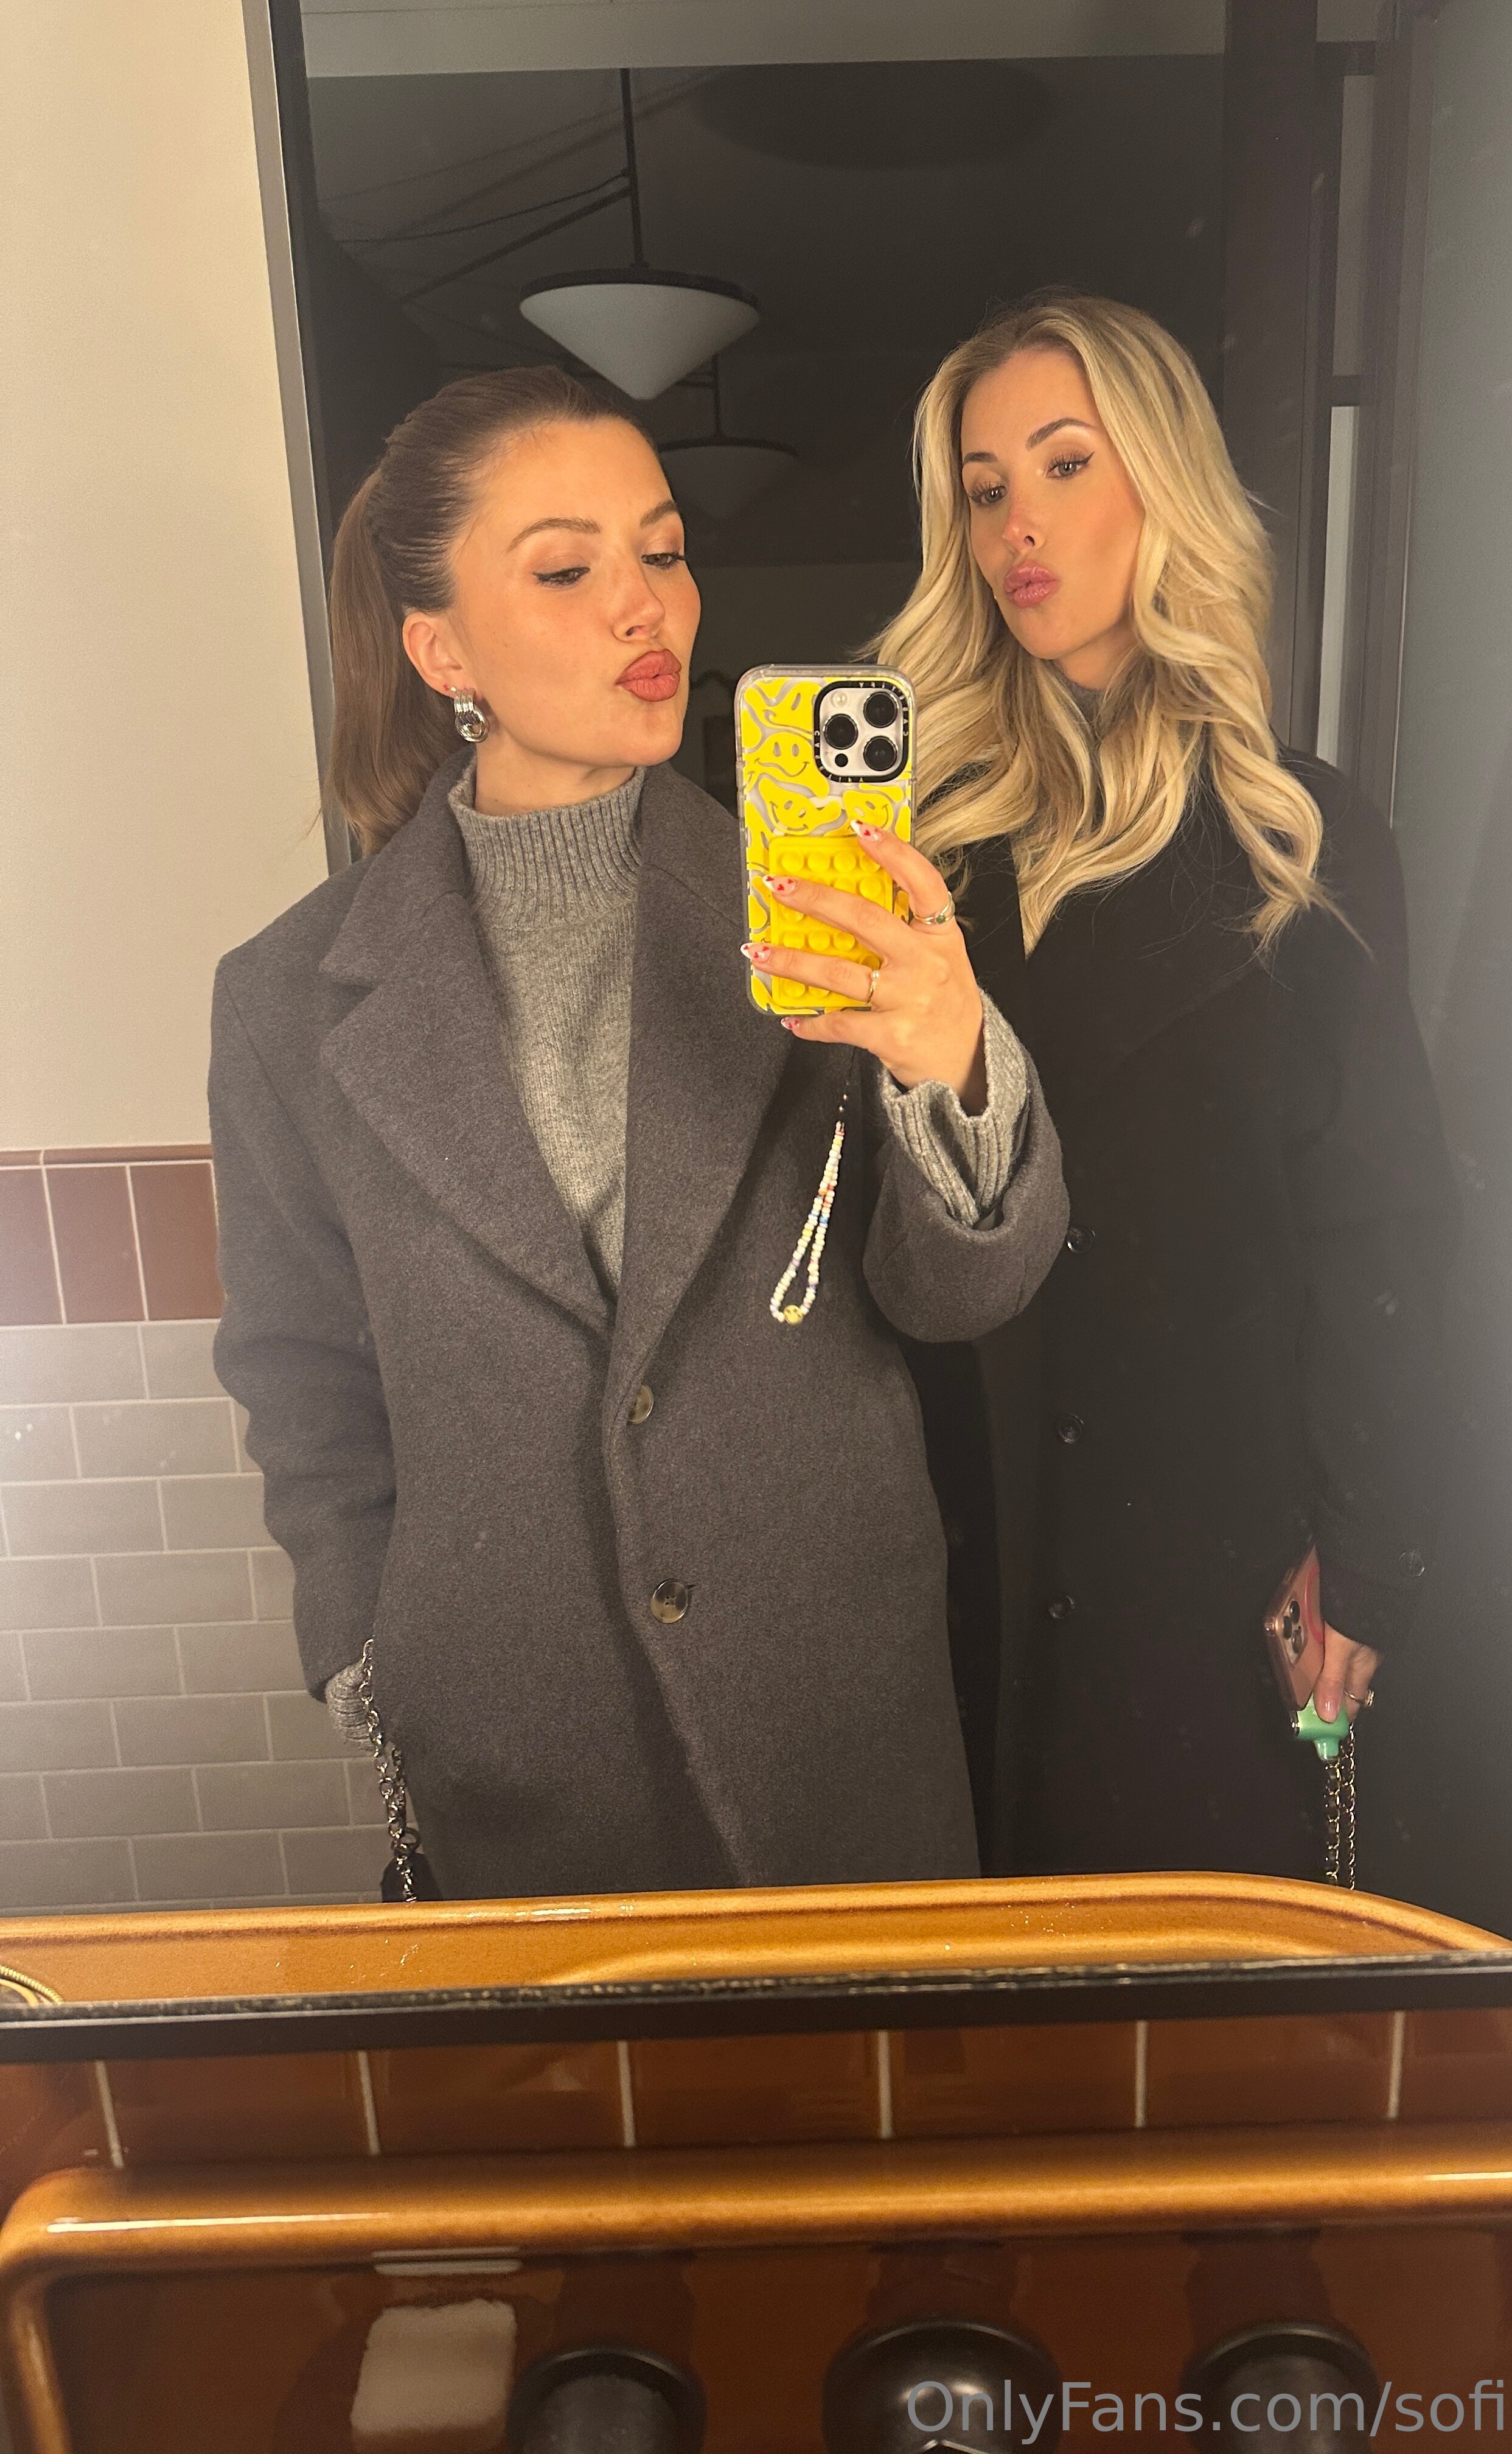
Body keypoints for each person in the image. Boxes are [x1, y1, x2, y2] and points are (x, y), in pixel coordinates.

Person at [209, 366, 1067, 1901]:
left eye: (663, 551)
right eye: (566, 569)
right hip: (514, 1747)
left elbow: (959, 1300)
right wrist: (363, 1652)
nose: (645, 604)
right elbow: (302, 1366)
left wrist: (954, 1062)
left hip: (836, 1730)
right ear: (440, 648)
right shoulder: (286, 1000)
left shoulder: (825, 918)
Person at [877, 295, 1458, 1879]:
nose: (1018, 525)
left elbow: (1386, 1230)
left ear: (1166, 487)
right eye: (984, 488)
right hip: (956, 1529)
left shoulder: (1299, 839)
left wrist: (1373, 1554)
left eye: (1066, 464)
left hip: (1210, 1539)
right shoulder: (924, 855)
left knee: (1187, 1980)